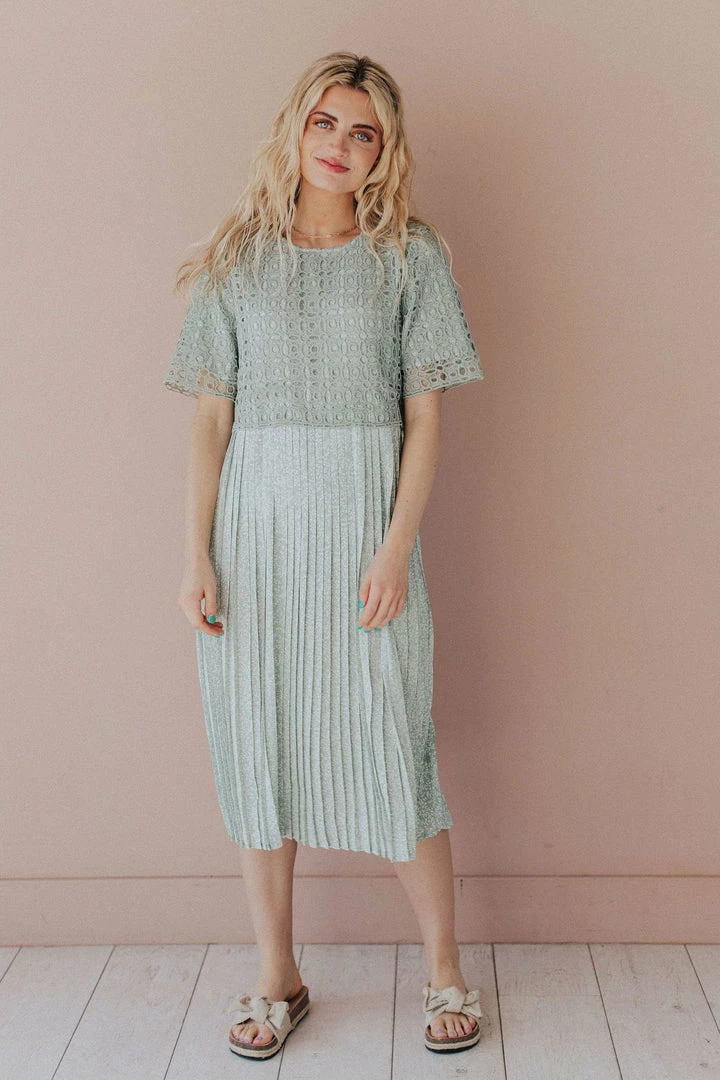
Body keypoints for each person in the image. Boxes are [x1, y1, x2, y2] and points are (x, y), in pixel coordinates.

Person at [164, 51, 485, 1059]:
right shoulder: (237, 258)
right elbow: (210, 420)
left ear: (384, 151)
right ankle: (278, 977)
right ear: (295, 129)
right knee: (257, 748)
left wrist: (395, 546)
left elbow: (425, 419)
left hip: (362, 536)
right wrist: (196, 554)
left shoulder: (410, 258)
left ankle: (445, 972)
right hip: (254, 542)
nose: (340, 146)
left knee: (395, 746)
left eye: (363, 132)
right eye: (325, 123)